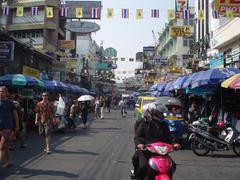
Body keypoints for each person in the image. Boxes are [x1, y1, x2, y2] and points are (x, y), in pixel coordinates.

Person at [131, 102, 181, 180]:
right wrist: (140, 144)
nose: (162, 115)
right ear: (153, 112)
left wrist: (175, 143)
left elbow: (170, 135)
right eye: (159, 113)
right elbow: (138, 137)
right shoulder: (144, 123)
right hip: (146, 151)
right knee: (143, 166)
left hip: (161, 152)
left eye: (162, 113)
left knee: (172, 166)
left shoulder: (164, 124)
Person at [0, 86, 19, 168]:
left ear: (6, 93)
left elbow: (15, 115)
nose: (0, 93)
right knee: (6, 147)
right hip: (0, 127)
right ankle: (9, 161)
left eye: (2, 91)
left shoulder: (9, 102)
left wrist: (17, 126)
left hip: (8, 127)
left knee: (2, 147)